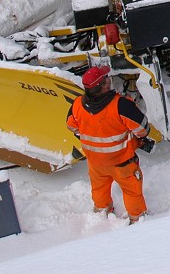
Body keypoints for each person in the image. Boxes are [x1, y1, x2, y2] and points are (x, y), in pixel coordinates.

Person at [66, 65, 154, 224]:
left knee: (99, 189)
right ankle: (137, 218)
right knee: (132, 191)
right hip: (122, 163)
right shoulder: (121, 105)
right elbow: (142, 129)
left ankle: (102, 211)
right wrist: (137, 138)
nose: (109, 79)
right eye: (106, 78)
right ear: (104, 85)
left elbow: (72, 126)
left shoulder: (78, 104)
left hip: (95, 162)